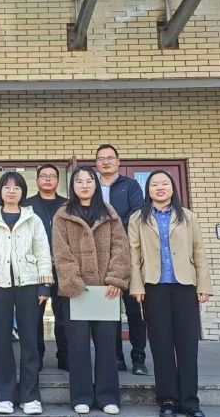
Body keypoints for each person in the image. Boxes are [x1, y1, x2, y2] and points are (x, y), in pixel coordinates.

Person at [128, 170, 213, 417]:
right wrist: (136, 286)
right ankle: (167, 400)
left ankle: (190, 402)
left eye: (164, 183)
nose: (160, 187)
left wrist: (203, 285)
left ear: (173, 188)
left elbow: (199, 252)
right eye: (154, 184)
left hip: (185, 286)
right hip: (154, 287)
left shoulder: (187, 216)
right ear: (148, 190)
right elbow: (134, 255)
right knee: (161, 345)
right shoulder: (138, 218)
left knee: (187, 345)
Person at [53, 166, 130, 416]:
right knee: (77, 347)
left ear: (96, 185)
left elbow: (121, 247)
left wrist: (115, 279)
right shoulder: (63, 214)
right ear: (72, 186)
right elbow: (60, 252)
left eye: (89, 181)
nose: (84, 185)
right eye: (79, 181)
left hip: (106, 291)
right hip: (76, 291)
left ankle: (108, 396)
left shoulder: (109, 212)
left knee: (107, 345)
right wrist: (74, 282)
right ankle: (82, 396)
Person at [0, 172, 53, 415]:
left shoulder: (33, 219)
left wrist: (44, 284)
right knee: (2, 342)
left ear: (22, 192)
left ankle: (30, 397)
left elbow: (43, 252)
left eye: (17, 187)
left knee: (30, 341)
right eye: (7, 187)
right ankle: (4, 396)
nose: (11, 191)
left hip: (29, 284)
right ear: (0, 191)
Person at [95, 144, 148, 376]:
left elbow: (137, 213)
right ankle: (115, 357)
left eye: (110, 158)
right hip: (101, 256)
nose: (106, 162)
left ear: (118, 162)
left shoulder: (130, 185)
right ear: (96, 163)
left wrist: (111, 228)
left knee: (134, 309)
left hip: (128, 253)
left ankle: (138, 358)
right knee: (108, 310)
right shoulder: (91, 185)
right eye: (101, 158)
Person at [23, 163, 68, 371]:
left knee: (63, 313)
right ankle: (37, 357)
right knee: (34, 315)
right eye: (44, 176)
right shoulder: (27, 205)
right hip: (35, 268)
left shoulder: (68, 205)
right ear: (37, 180)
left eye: (52, 176)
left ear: (58, 181)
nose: (48, 179)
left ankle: (65, 356)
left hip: (63, 267)